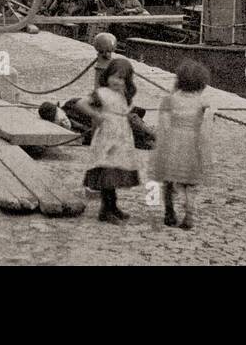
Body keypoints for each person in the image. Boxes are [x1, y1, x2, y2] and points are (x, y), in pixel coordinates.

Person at [73, 57, 140, 223]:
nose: (118, 81)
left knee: (116, 171)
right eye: (115, 77)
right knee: (107, 171)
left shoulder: (123, 95)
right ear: (107, 75)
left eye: (123, 78)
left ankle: (113, 206)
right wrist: (97, 115)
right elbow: (81, 103)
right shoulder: (102, 93)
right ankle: (105, 209)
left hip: (122, 139)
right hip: (107, 138)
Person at [151, 59, 212, 230]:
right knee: (189, 184)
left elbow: (163, 126)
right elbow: (207, 126)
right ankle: (189, 213)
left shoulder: (169, 100)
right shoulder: (203, 103)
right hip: (191, 145)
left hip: (172, 144)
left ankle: (169, 213)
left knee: (168, 181)